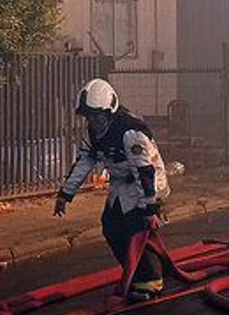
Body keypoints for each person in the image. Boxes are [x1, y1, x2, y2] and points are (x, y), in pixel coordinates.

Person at [54, 78, 172, 302]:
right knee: (111, 227)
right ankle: (137, 273)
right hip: (122, 184)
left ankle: (151, 280)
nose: (93, 121)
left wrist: (150, 208)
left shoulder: (130, 132)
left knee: (136, 229)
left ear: (109, 110)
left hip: (147, 185)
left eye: (97, 116)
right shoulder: (94, 132)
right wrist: (65, 194)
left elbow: (144, 170)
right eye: (89, 116)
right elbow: (84, 162)